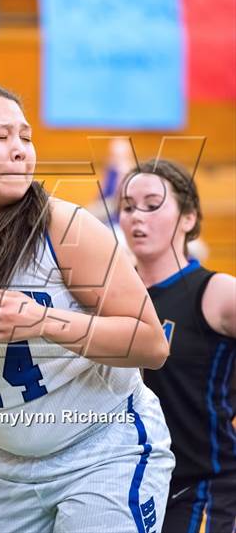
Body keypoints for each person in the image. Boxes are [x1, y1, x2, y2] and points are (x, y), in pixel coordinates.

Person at [0, 83, 175, 533]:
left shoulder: (66, 229)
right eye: (2, 137)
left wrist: (41, 319)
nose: (20, 150)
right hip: (8, 468)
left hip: (105, 449)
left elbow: (152, 344)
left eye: (25, 137)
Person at [118, 159, 236, 533]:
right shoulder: (114, 298)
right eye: (127, 206)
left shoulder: (216, 293)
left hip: (207, 488)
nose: (137, 216)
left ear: (188, 218)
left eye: (153, 204)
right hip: (131, 489)